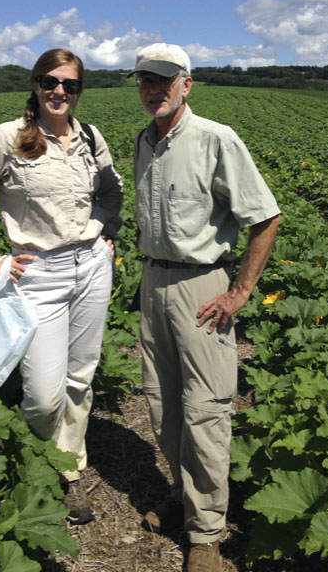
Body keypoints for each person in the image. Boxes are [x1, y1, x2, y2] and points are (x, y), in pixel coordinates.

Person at [0, 48, 123, 525]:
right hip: (38, 274)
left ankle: (66, 471)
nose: (59, 92)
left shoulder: (90, 137)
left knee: (80, 377)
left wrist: (104, 231)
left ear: (81, 90)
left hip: (91, 267)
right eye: (50, 82)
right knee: (44, 394)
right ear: (36, 85)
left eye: (70, 84)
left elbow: (112, 191)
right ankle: (36, 461)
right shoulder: (6, 138)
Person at [130, 43, 281, 572]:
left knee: (206, 411)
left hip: (202, 286)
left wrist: (239, 291)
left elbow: (265, 218)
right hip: (153, 282)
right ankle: (183, 494)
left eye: (165, 80)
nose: (155, 88)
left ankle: (207, 533)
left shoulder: (216, 139)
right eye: (146, 79)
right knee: (162, 403)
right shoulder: (144, 141)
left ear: (186, 84)